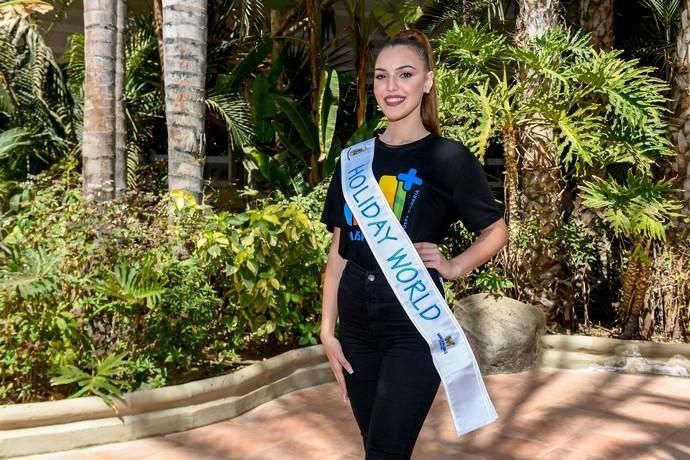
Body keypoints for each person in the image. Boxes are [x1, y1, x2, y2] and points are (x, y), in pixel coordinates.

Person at [319, 29, 509, 460]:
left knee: (385, 451)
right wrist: (327, 330)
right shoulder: (353, 160)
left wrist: (455, 265)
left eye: (405, 75)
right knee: (377, 447)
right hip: (355, 326)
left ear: (426, 81)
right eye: (382, 77)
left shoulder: (449, 158)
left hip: (412, 323)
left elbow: (496, 231)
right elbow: (338, 250)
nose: (392, 87)